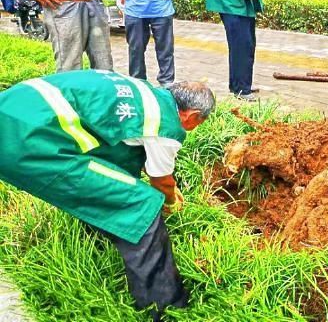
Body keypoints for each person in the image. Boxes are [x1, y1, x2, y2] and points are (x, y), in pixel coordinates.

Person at [0, 70, 216, 321]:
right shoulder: (165, 123)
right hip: (29, 141)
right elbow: (161, 180)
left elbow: (121, 146)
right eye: (198, 125)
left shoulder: (145, 92)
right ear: (192, 115)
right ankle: (165, 306)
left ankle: (98, 239)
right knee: (140, 203)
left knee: (110, 181)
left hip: (13, 109)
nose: (193, 129)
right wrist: (171, 202)